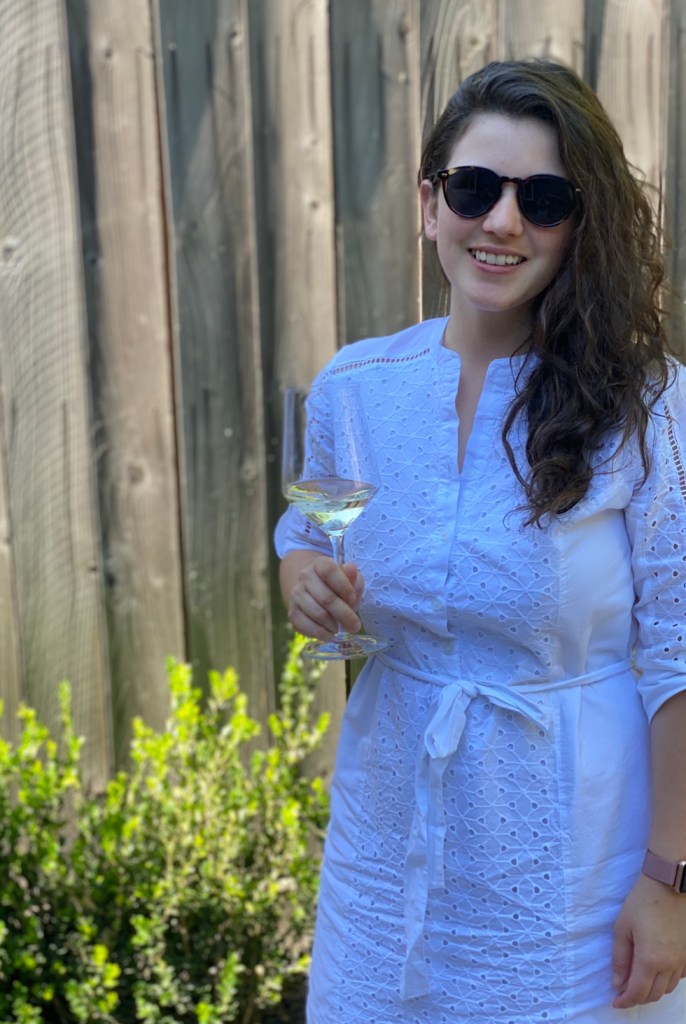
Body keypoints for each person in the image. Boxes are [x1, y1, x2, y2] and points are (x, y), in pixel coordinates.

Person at [274, 58, 686, 1023]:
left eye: (543, 199)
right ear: (431, 204)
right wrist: (301, 577)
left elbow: (680, 654)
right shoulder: (356, 388)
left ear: (579, 224)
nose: (502, 222)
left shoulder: (651, 408)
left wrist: (671, 879)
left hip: (576, 868)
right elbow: (309, 530)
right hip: (387, 847)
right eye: (473, 188)